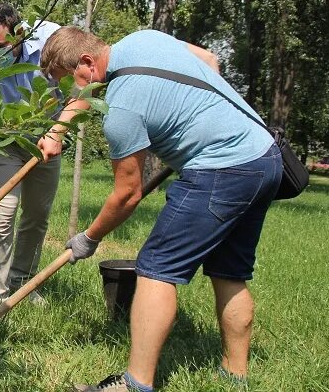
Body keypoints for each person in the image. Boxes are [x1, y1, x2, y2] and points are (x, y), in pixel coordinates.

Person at [40, 27, 281, 392]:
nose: (72, 93)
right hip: (263, 155)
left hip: (222, 168)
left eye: (69, 82)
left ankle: (135, 384)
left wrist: (89, 239)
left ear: (87, 63)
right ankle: (234, 376)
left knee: (156, 268)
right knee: (229, 270)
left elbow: (127, 195)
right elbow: (211, 61)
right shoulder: (142, 40)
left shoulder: (121, 107)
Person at [0, 2, 89, 313]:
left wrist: (57, 131)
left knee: (37, 216)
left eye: (0, 46)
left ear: (20, 34)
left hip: (46, 141)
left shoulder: (52, 40)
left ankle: (22, 282)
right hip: (1, 143)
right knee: (0, 218)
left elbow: (85, 87)